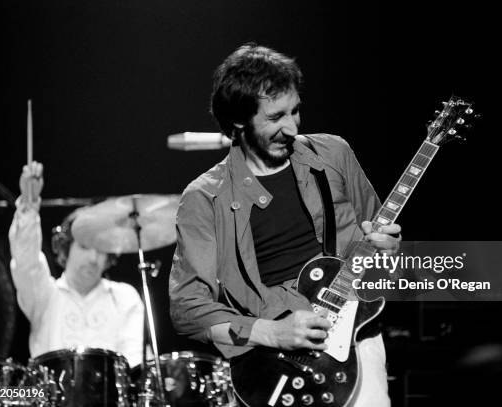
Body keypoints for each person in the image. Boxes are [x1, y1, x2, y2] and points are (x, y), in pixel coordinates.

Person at [169, 44, 401, 406]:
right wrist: (272, 332)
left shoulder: (333, 154)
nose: (291, 127)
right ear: (239, 122)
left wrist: (388, 252)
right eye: (276, 117)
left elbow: (380, 255)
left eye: (295, 111)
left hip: (352, 341)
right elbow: (187, 308)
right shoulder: (203, 198)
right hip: (272, 366)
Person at [8, 161, 144, 367]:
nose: (93, 258)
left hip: (109, 398)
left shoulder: (125, 298)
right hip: (50, 397)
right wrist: (28, 205)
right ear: (66, 248)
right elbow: (26, 260)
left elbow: (133, 366)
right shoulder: (44, 295)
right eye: (84, 247)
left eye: (101, 250)